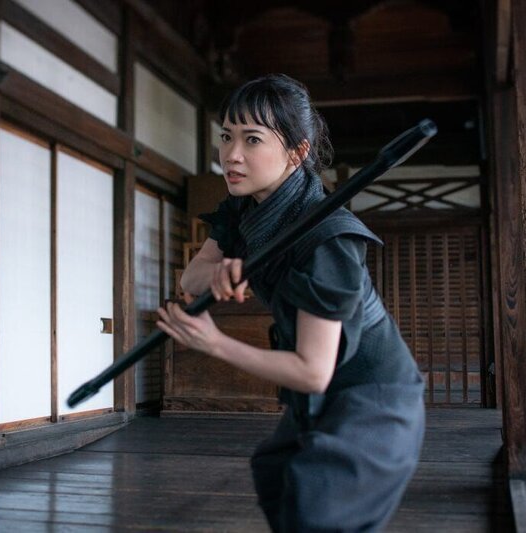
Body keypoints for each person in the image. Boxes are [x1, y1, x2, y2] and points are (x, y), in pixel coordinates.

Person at [156, 73, 425, 532]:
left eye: (252, 139)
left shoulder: (328, 240)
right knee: (276, 474)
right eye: (226, 136)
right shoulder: (242, 208)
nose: (231, 155)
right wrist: (219, 272)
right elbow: (191, 279)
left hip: (374, 398)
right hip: (326, 392)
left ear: (297, 153)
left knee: (315, 507)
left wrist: (215, 343)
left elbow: (313, 371)